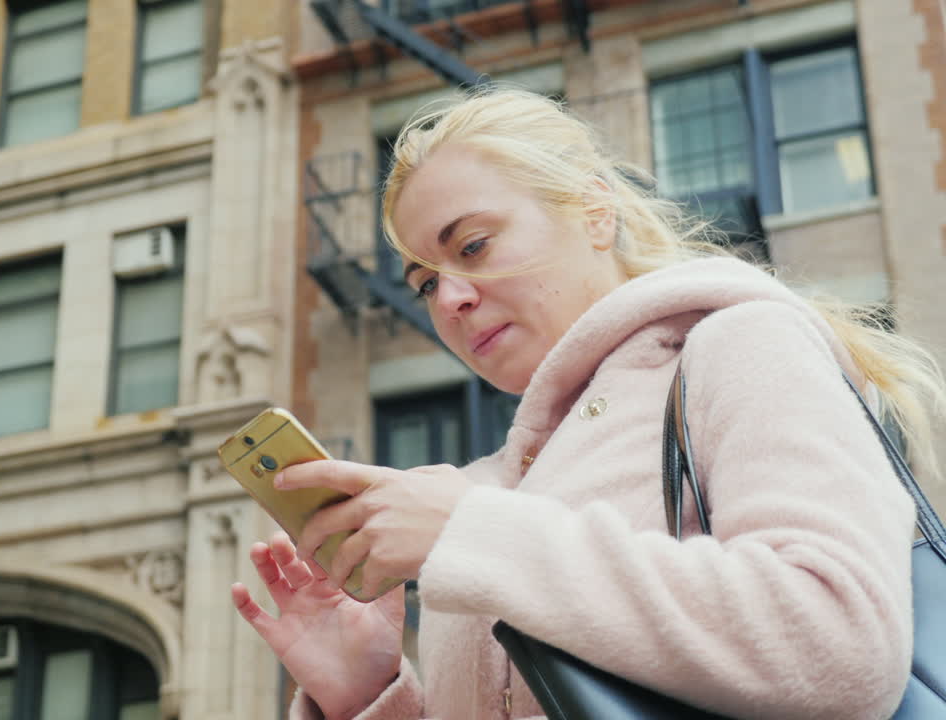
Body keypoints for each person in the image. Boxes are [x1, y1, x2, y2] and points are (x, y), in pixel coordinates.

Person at [229, 88, 946, 720]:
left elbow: (841, 645)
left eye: (473, 246)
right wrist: (370, 693)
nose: (449, 299)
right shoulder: (484, 491)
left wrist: (478, 533)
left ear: (595, 211)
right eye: (423, 282)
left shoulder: (740, 342)